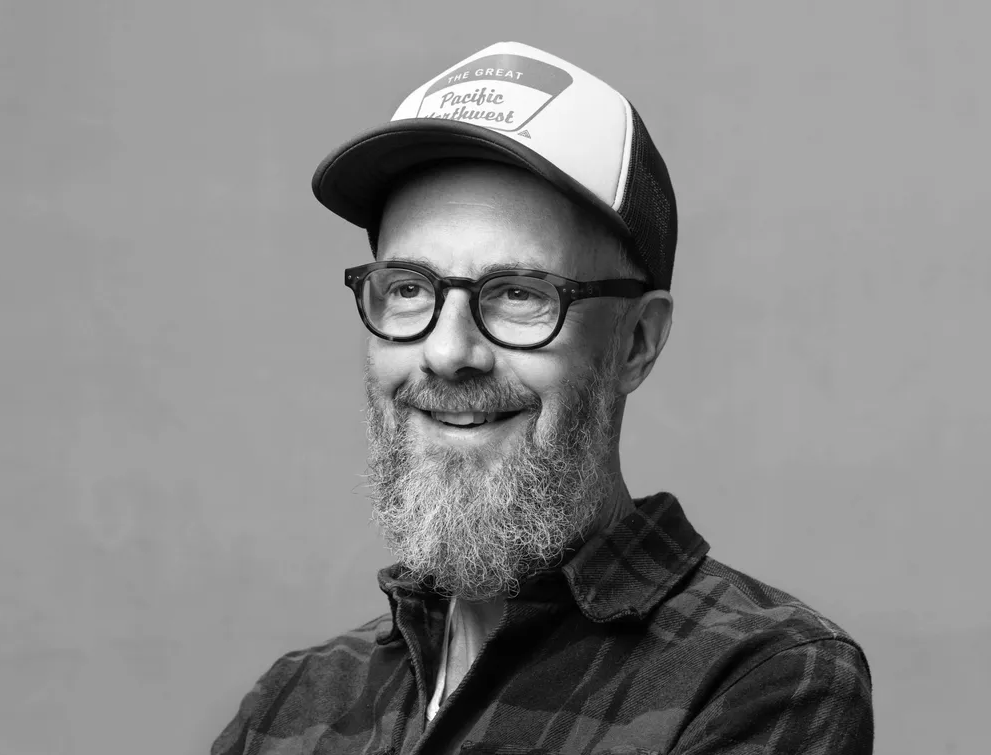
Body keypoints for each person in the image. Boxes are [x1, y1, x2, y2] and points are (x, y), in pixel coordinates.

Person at [212, 41, 874, 755]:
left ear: (636, 343)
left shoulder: (759, 677)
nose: (447, 351)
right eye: (409, 289)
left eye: (520, 294)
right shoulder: (292, 705)